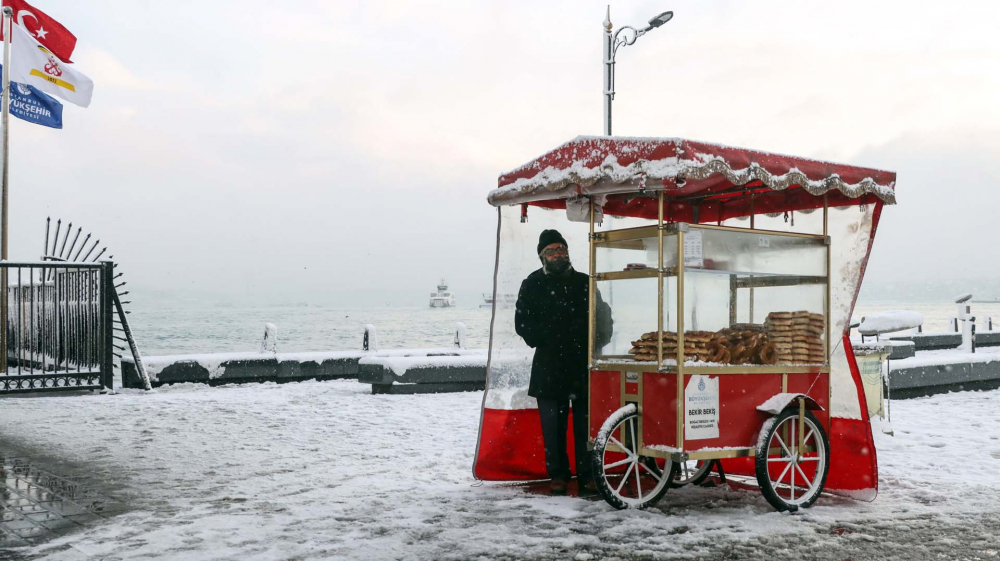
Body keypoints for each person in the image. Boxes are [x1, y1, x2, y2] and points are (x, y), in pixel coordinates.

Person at [515, 229, 613, 495]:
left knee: (587, 428)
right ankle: (557, 476)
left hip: (583, 366)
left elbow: (604, 318)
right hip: (549, 367)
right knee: (553, 430)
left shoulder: (585, 282)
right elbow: (523, 324)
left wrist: (596, 343)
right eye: (552, 251)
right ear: (542, 257)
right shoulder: (532, 284)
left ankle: (588, 476)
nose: (558, 254)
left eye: (562, 249)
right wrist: (552, 336)